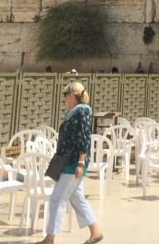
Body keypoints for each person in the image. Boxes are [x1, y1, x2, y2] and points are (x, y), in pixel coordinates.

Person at [39, 81, 102, 244]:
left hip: (73, 163)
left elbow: (84, 139)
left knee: (57, 199)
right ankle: (95, 231)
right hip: (68, 161)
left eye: (65, 95)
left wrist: (80, 163)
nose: (64, 99)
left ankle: (50, 238)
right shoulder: (73, 112)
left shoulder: (82, 112)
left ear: (72, 96)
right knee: (77, 199)